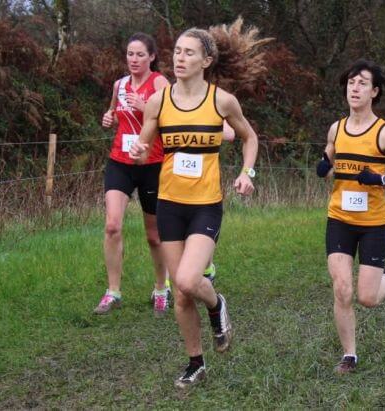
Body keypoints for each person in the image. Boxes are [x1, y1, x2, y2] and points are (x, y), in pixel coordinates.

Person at [129, 19, 264, 389]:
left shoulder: (221, 100)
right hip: (169, 202)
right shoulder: (158, 101)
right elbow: (142, 151)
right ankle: (196, 362)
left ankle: (217, 304)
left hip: (206, 204)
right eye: (176, 52)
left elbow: (250, 138)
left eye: (189, 52)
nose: (179, 58)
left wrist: (247, 174)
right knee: (180, 297)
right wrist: (139, 151)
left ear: (206, 60)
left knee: (188, 281)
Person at [315, 60, 385, 374]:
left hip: (373, 223)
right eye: (351, 83)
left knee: (368, 298)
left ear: (374, 91)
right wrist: (324, 167)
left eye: (362, 83)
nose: (354, 88)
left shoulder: (384, 134)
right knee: (342, 288)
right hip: (340, 219)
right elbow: (329, 157)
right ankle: (350, 355)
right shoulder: (337, 128)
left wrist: (381, 179)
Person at [94, 33, 172, 316]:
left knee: (154, 235)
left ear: (151, 56)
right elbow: (114, 114)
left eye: (140, 54)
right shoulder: (120, 84)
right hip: (121, 162)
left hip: (152, 164)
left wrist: (146, 107)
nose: (134, 60)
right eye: (130, 54)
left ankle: (161, 289)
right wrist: (108, 118)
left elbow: (172, 119)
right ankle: (113, 291)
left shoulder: (160, 83)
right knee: (112, 226)